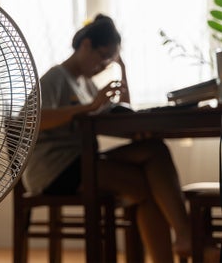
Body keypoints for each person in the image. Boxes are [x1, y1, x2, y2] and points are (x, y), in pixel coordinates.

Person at [22, 14, 191, 262]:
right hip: (55, 169)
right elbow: (30, 120)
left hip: (83, 161)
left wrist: (122, 69)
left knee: (155, 149)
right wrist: (86, 108)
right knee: (147, 186)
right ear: (86, 44)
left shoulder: (86, 84)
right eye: (103, 57)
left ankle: (183, 238)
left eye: (109, 61)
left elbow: (121, 114)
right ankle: (182, 240)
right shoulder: (55, 78)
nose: (103, 66)